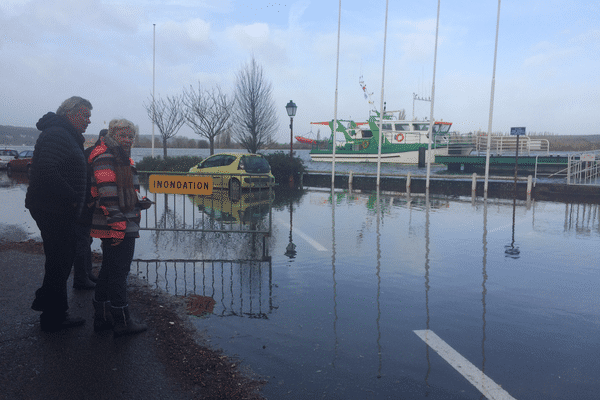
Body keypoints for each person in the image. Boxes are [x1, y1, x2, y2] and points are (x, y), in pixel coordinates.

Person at [26, 96, 92, 332]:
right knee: (60, 261)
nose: (89, 120)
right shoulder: (57, 134)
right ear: (68, 113)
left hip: (57, 208)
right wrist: (72, 197)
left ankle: (52, 310)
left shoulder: (65, 134)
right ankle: (52, 316)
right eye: (84, 115)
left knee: (60, 261)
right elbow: (45, 170)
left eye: (89, 115)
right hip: (54, 209)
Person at [89, 119, 152, 337]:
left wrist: (139, 199)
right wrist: (117, 225)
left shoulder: (117, 155)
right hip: (118, 223)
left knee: (109, 270)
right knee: (119, 272)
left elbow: (120, 190)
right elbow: (107, 192)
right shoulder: (106, 156)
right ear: (113, 135)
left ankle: (102, 317)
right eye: (122, 135)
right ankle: (122, 321)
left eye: (130, 136)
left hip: (120, 220)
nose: (127, 139)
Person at [72, 129, 108, 290]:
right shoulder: (94, 154)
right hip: (87, 204)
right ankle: (82, 278)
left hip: (89, 203)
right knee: (82, 240)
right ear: (103, 138)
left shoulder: (91, 152)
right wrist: (88, 200)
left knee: (86, 240)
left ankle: (87, 273)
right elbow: (85, 179)